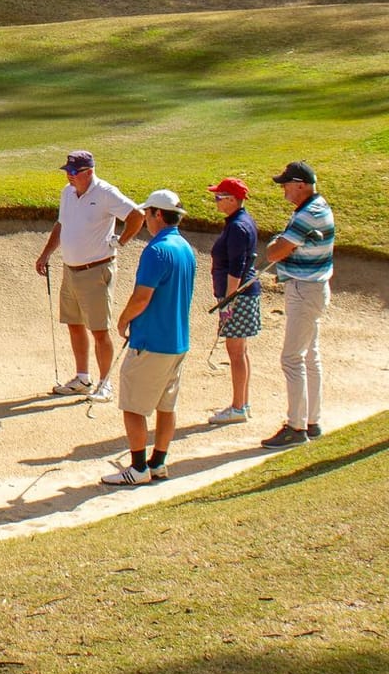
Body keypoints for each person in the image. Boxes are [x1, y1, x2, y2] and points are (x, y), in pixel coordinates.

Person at [34, 151, 147, 402]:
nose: (69, 177)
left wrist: (121, 240)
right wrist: (46, 254)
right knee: (74, 324)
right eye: (67, 172)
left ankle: (105, 383)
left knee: (98, 329)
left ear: (88, 172)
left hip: (96, 270)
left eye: (73, 172)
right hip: (70, 269)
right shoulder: (67, 193)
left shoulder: (105, 193)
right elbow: (61, 225)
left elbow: (136, 216)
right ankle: (83, 378)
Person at [102, 190, 197, 485]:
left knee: (133, 406)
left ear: (157, 214)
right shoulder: (185, 247)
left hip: (151, 343)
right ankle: (158, 463)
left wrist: (123, 319)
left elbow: (142, 297)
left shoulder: (156, 251)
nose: (144, 218)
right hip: (177, 342)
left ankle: (139, 468)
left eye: (147, 213)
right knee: (166, 406)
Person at [260, 161, 336, 449]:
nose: (283, 190)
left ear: (301, 184)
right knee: (308, 356)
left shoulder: (307, 214)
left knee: (292, 358)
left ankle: (295, 427)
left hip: (304, 291)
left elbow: (274, 253)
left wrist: (276, 243)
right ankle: (311, 421)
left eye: (286, 184)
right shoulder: (318, 207)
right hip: (313, 289)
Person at [205, 178, 260, 425]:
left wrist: (228, 299)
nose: (216, 201)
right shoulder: (239, 222)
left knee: (235, 352)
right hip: (241, 295)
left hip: (238, 296)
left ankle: (238, 407)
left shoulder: (238, 226)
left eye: (219, 197)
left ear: (231, 200)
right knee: (240, 351)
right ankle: (243, 403)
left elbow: (236, 266)